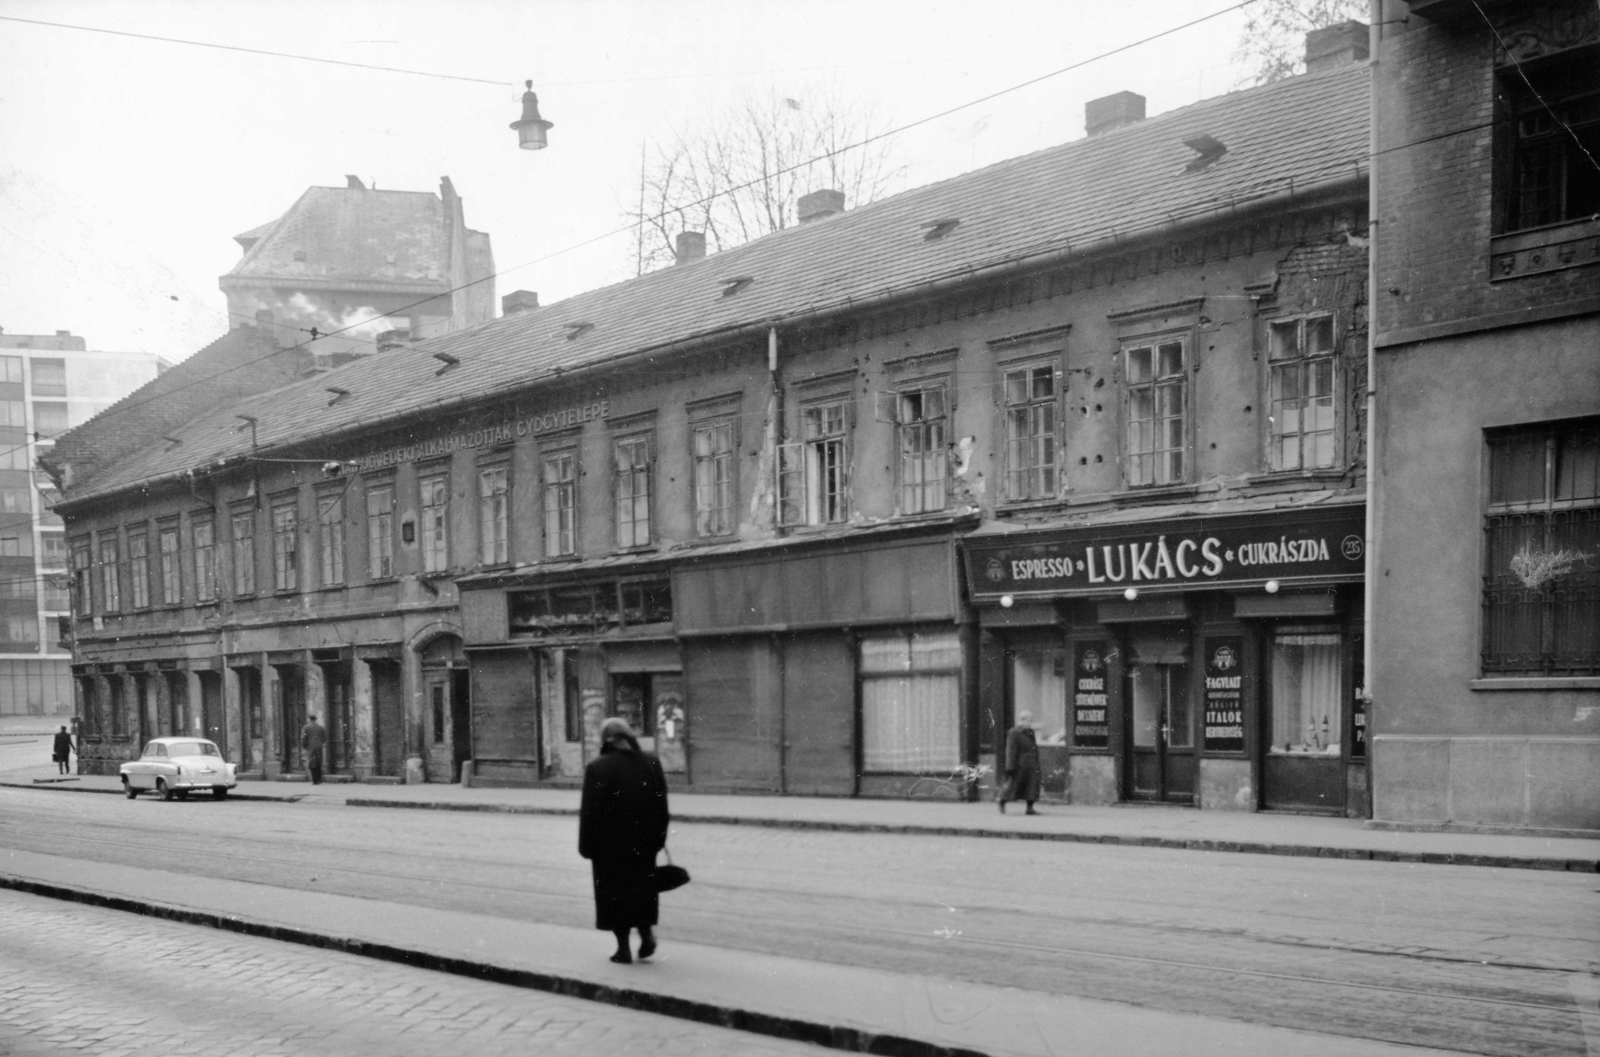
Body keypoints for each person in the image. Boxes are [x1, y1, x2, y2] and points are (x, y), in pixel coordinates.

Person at [579, 716, 669, 964]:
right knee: (642, 892)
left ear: (605, 740)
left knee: (615, 896)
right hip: (643, 845)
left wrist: (586, 847)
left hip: (609, 849)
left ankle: (623, 949)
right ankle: (646, 936)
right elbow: (661, 807)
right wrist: (658, 840)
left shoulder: (598, 768)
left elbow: (589, 813)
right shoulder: (651, 762)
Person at [999, 710, 1041, 815]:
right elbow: (1011, 750)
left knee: (1032, 786)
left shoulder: (1030, 732)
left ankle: (1030, 808)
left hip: (1032, 764)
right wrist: (1010, 766)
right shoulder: (1014, 733)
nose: (1030, 723)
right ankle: (1002, 801)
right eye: (1029, 721)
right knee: (1013, 785)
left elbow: (1034, 747)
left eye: (1031, 721)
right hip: (1020, 764)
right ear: (1022, 720)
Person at [300, 714, 328, 785]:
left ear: (309, 719)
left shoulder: (306, 727)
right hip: (319, 747)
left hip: (311, 748)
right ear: (315, 719)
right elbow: (324, 738)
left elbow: (304, 738)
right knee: (318, 763)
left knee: (312, 764)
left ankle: (315, 780)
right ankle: (319, 779)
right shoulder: (320, 727)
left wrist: (304, 746)